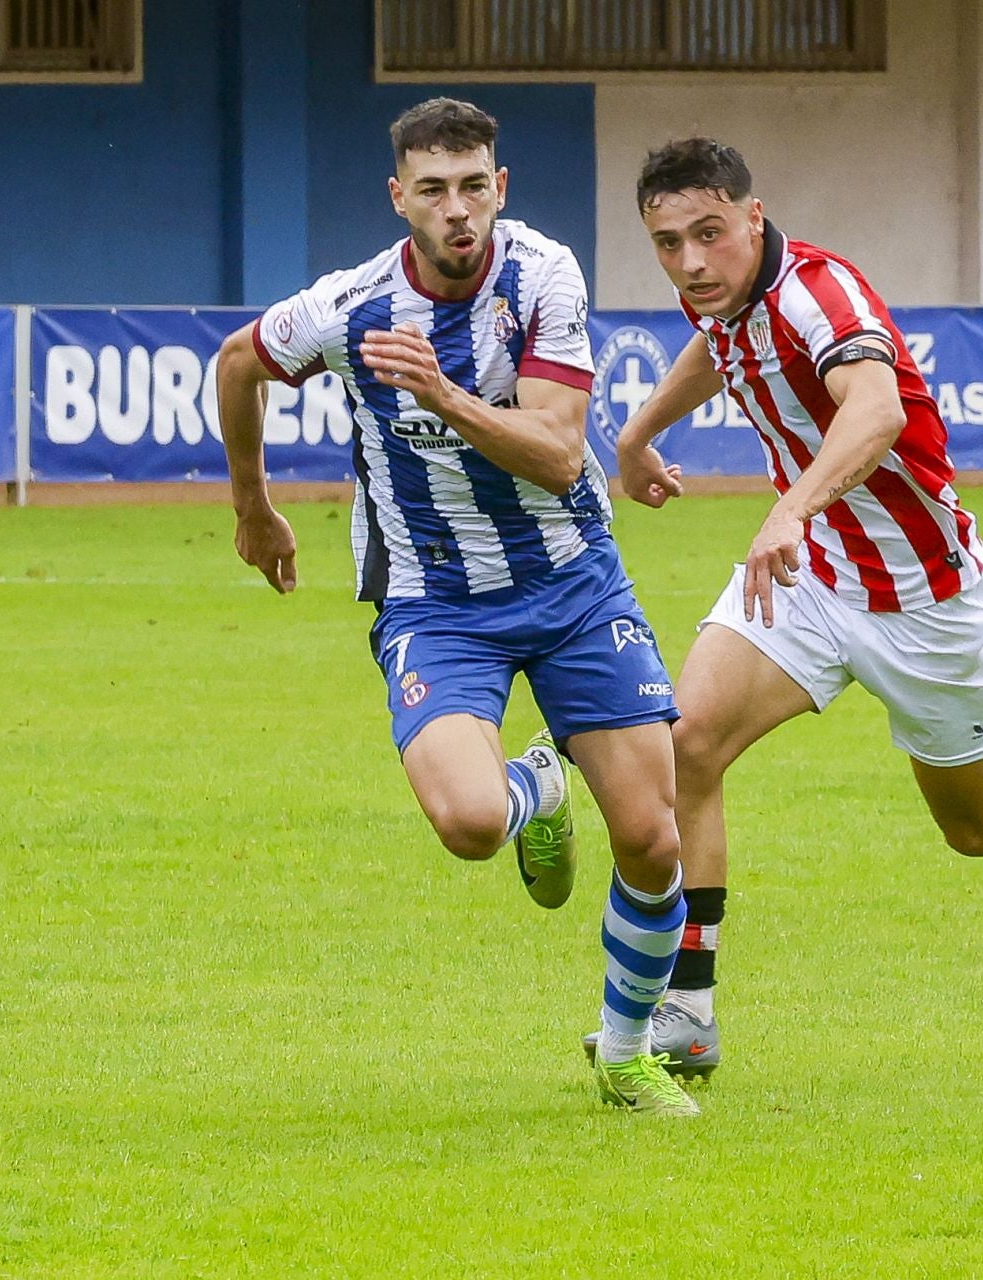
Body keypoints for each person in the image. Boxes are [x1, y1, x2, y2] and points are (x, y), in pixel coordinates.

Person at [592, 138, 983, 1077]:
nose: (690, 262)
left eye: (708, 234)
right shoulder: (727, 296)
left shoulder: (820, 294)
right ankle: (688, 1012)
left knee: (976, 825)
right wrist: (636, 432)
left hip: (929, 603)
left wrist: (788, 505)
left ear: (755, 217)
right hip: (815, 576)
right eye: (667, 244)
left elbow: (876, 414)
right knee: (685, 743)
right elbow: (722, 352)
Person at [215, 98, 699, 1116]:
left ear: (501, 188)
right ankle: (536, 791)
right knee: (473, 823)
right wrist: (253, 503)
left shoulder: (543, 277)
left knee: (654, 836)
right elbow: (238, 362)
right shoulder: (350, 305)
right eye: (433, 190)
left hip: (572, 581)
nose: (458, 210)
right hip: (436, 600)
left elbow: (561, 449)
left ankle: (623, 1052)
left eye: (474, 185)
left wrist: (441, 396)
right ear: (401, 199)